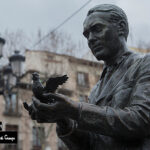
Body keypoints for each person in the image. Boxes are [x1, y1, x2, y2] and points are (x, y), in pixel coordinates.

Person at [25, 4, 150, 150]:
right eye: (87, 34)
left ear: (121, 27)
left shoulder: (144, 64)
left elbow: (142, 119)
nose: (90, 39)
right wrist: (63, 119)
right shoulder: (96, 89)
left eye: (97, 29)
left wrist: (75, 110)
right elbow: (91, 144)